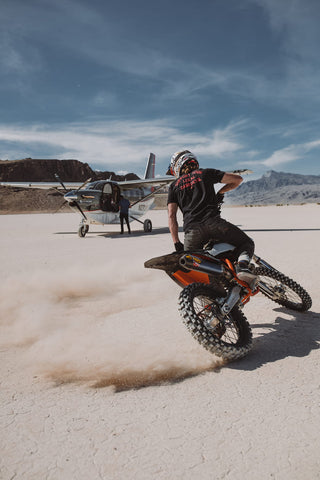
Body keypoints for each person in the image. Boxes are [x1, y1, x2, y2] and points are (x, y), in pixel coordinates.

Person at [167, 149, 255, 283]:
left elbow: (171, 216)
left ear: (177, 166)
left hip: (192, 232)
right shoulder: (205, 173)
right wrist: (220, 192)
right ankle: (242, 266)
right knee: (246, 243)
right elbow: (238, 179)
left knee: (195, 268)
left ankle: (210, 296)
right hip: (214, 224)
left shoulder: (174, 186)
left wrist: (177, 243)